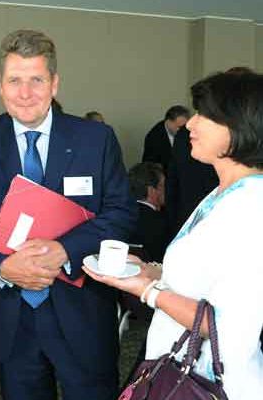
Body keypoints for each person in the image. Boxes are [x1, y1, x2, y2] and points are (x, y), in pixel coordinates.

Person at [0, 29, 136, 400]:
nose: (25, 93)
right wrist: (3, 268)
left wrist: (64, 250)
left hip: (83, 314)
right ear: (0, 85)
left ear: (54, 83)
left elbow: (121, 213)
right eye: (15, 81)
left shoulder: (96, 139)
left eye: (37, 80)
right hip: (10, 318)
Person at [84, 71, 263, 399]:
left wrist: (145, 289)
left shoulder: (251, 206)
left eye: (204, 115)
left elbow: (227, 326)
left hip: (211, 384)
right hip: (182, 371)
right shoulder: (222, 193)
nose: (190, 124)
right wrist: (150, 271)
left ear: (239, 126)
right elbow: (207, 281)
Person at [128, 162, 167, 263]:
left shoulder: (116, 217)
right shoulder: (163, 224)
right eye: (162, 186)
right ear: (151, 191)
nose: (166, 190)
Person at [142, 105, 190, 172]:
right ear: (168, 122)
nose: (183, 130)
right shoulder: (153, 138)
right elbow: (150, 168)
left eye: (185, 126)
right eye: (179, 127)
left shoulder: (187, 131)